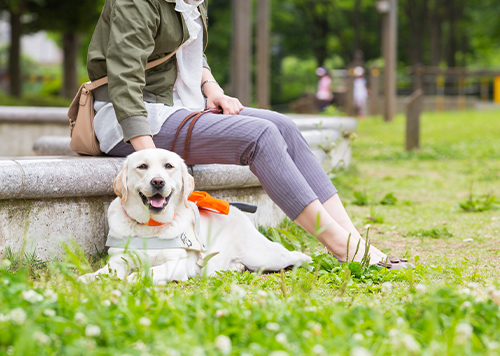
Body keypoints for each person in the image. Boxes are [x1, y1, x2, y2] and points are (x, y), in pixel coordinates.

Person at [86, 0, 409, 268]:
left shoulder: (191, 1)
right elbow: (124, 81)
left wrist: (211, 88)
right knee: (259, 136)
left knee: (283, 125)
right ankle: (342, 247)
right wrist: (148, 158)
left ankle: (352, 238)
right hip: (132, 119)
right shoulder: (136, 2)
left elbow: (190, 52)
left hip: (181, 106)